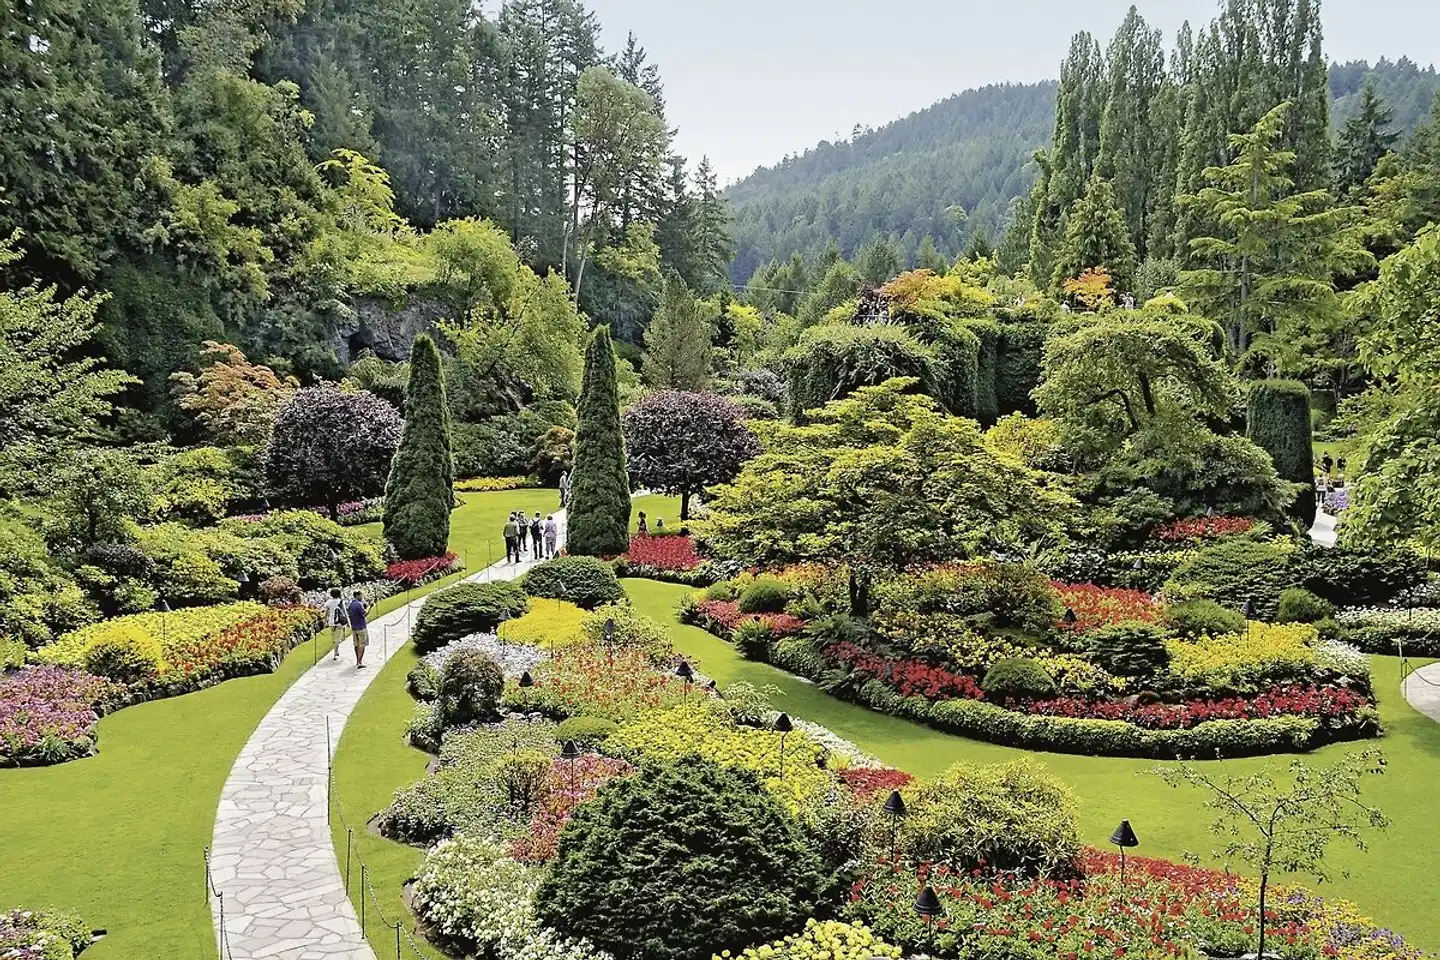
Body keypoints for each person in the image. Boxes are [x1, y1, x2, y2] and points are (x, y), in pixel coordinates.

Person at [346, 590, 369, 669]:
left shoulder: (350, 604)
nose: (362, 597)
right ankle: (360, 662)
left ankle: (357, 660)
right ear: (357, 595)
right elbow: (364, 614)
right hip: (361, 627)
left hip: (354, 627)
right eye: (361, 595)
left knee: (356, 644)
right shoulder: (359, 604)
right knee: (362, 645)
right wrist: (370, 607)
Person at [323, 588, 347, 661]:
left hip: (331, 622)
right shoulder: (341, 601)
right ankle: (335, 653)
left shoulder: (328, 602)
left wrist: (325, 621)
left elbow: (326, 613)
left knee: (334, 638)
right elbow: (345, 612)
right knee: (337, 638)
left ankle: (336, 651)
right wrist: (348, 622)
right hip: (339, 622)